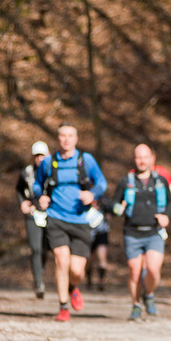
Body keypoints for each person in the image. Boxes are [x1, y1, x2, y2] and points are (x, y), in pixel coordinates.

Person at [33, 123, 107, 322]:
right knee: (61, 260)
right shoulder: (48, 163)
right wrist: (40, 196)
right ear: (58, 139)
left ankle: (73, 287)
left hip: (81, 220)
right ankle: (63, 306)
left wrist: (92, 194)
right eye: (62, 136)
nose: (66, 139)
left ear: (76, 139)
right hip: (56, 218)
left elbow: (102, 183)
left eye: (70, 136)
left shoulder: (86, 160)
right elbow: (37, 184)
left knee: (77, 270)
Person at [111, 143, 171, 320]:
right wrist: (118, 209)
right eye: (138, 157)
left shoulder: (160, 181)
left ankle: (149, 294)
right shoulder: (126, 181)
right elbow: (113, 204)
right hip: (132, 232)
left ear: (152, 158)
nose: (142, 160)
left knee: (153, 270)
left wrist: (166, 217)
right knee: (135, 271)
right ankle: (135, 305)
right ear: (134, 159)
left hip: (154, 232)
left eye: (145, 157)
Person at [16, 140, 50, 298]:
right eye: (37, 155)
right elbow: (19, 189)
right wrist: (22, 202)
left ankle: (40, 270)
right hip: (32, 214)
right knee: (35, 248)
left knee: (45, 249)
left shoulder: (53, 171)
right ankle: (38, 283)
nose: (40, 158)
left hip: (50, 214)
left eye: (42, 155)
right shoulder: (27, 172)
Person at [86, 193, 112, 291]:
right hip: (88, 233)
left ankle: (101, 281)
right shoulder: (83, 196)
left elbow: (111, 209)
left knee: (102, 258)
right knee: (89, 260)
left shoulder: (104, 199)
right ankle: (89, 278)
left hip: (101, 232)